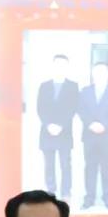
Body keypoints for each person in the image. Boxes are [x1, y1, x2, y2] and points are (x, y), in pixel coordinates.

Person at [77, 62, 108, 209]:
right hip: (90, 135)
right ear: (92, 74)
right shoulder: (85, 91)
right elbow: (81, 110)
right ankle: (89, 198)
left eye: (102, 72)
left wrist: (104, 125)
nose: (99, 75)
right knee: (90, 168)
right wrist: (91, 124)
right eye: (96, 72)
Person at [36, 54, 80, 199]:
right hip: (47, 131)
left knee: (65, 164)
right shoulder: (44, 86)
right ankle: (51, 191)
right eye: (57, 64)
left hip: (64, 131)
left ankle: (66, 192)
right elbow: (40, 108)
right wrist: (48, 125)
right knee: (49, 164)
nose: (60, 67)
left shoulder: (73, 86)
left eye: (63, 64)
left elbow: (73, 108)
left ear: (67, 67)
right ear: (53, 66)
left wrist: (61, 126)